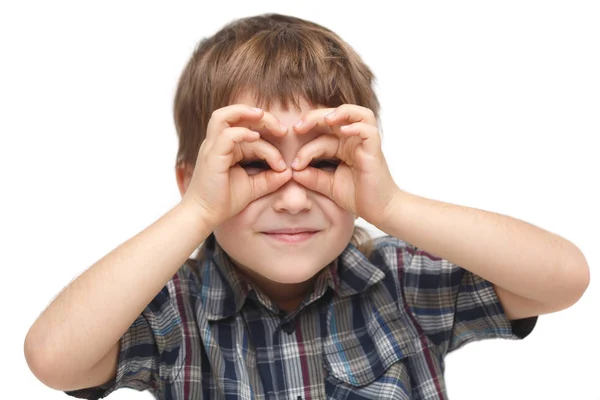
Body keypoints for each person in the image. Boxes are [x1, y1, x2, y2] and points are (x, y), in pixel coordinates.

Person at [24, 13, 589, 399]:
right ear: (193, 183)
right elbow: (53, 359)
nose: (292, 198)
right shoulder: (176, 312)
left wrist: (390, 205)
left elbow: (563, 279)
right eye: (252, 165)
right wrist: (196, 213)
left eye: (322, 164)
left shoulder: (403, 281)